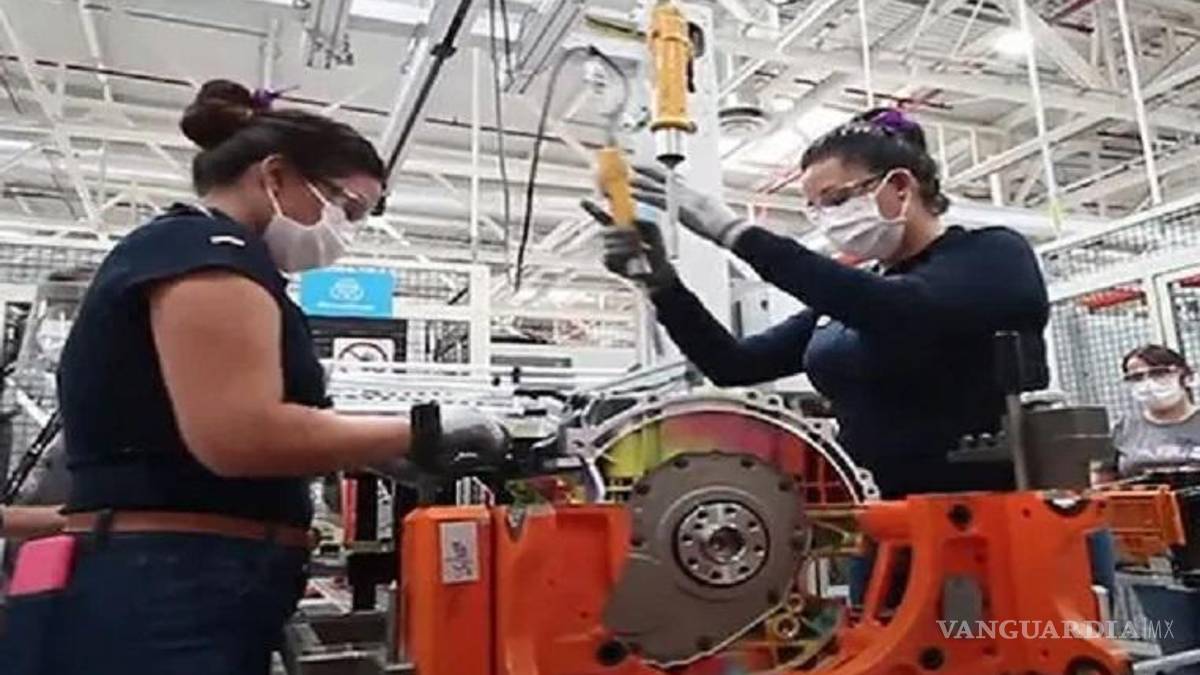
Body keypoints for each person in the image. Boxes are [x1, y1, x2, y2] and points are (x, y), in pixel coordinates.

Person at [0, 80, 503, 675]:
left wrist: (368, 450)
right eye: (347, 208)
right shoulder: (207, 256)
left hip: (176, 580)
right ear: (276, 176)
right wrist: (423, 431)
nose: (347, 230)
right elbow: (241, 435)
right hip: (168, 590)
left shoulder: (203, 257)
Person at [587, 107, 1050, 499]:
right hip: (872, 517)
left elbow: (899, 311)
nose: (828, 219)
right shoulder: (852, 297)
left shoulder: (992, 256)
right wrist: (661, 284)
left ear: (900, 187)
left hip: (979, 518)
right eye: (816, 207)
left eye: (836, 199)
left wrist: (733, 233)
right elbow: (733, 364)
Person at [1113, 344, 1200, 477]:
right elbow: (1101, 482)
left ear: (1187, 377)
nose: (1148, 383)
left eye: (1159, 373)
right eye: (1137, 377)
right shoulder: (1124, 428)